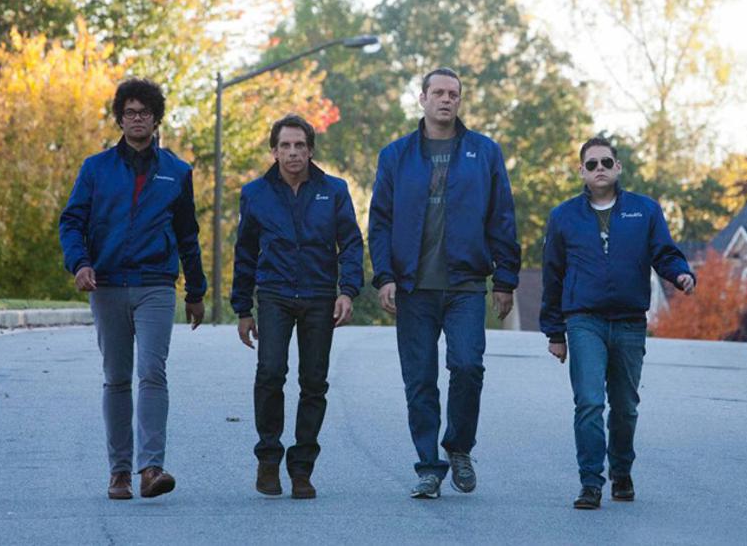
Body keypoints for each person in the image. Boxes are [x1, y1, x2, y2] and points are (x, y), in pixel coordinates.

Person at [368, 67, 521, 499]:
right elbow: (380, 222)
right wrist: (384, 276)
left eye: (453, 93)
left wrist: (505, 279)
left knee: (468, 366)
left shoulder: (484, 152)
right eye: (438, 92)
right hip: (412, 287)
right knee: (419, 380)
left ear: (459, 100)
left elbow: (502, 217)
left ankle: (458, 446)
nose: (446, 99)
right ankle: (428, 467)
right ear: (422, 99)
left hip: (466, 284)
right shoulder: (396, 155)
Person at [59, 78, 206, 500]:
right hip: (106, 284)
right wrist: (80, 263)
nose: (137, 119)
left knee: (152, 372)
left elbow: (188, 235)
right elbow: (72, 222)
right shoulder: (96, 169)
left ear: (156, 119)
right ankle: (119, 472)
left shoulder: (176, 172)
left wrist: (195, 291)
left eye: (144, 113)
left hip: (155, 284)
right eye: (130, 113)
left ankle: (151, 468)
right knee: (117, 378)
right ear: (120, 119)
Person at [540, 136, 696, 510]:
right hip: (584, 321)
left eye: (606, 162)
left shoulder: (644, 211)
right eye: (592, 164)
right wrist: (555, 332)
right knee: (589, 402)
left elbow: (664, 253)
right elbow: (553, 275)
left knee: (625, 407)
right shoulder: (564, 216)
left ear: (618, 167)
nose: (600, 169)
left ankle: (621, 472)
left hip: (629, 322)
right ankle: (590, 483)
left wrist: (681, 274)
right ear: (581, 171)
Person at [231, 113, 364, 500]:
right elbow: (245, 252)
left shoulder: (334, 190)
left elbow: (350, 244)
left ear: (310, 150)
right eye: (285, 146)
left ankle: (302, 467)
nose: (293, 152)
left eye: (300, 145)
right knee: (270, 373)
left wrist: (347, 291)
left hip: (320, 296)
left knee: (314, 382)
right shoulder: (255, 193)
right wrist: (243, 308)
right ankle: (269, 458)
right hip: (274, 294)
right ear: (274, 151)